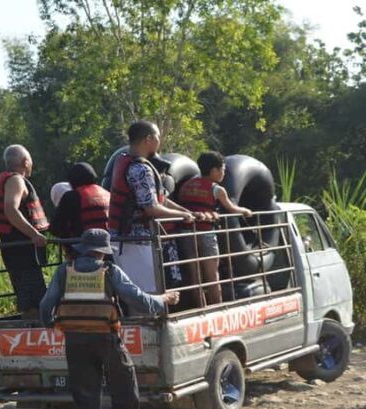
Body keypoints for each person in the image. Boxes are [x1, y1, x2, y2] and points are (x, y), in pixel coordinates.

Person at [39, 229, 180, 409]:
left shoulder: (64, 271)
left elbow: (46, 305)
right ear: (102, 252)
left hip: (75, 341)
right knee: (124, 379)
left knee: (86, 397)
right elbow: (137, 298)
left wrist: (51, 324)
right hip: (106, 338)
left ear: (84, 249)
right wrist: (163, 300)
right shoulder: (109, 271)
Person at [108, 120, 201, 293]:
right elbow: (151, 208)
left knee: (136, 291)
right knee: (146, 292)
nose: (160, 140)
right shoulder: (141, 169)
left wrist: (186, 211)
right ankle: (148, 320)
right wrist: (182, 217)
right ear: (149, 139)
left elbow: (160, 198)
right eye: (158, 136)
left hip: (123, 239)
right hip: (135, 241)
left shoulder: (124, 161)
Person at [177, 151, 252, 307]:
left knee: (194, 276)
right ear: (214, 171)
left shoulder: (186, 185)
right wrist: (245, 211)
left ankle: (201, 308)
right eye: (222, 169)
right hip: (205, 232)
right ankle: (217, 308)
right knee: (212, 275)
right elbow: (231, 208)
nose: (223, 173)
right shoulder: (216, 189)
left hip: (186, 232)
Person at [0, 144, 50, 320]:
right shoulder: (16, 180)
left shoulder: (6, 179)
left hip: (15, 249)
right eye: (31, 160)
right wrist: (34, 235)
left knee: (31, 297)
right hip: (22, 250)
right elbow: (11, 209)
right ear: (25, 162)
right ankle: (34, 337)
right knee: (33, 300)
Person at [50, 163, 110, 239]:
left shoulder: (71, 196)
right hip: (109, 245)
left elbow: (56, 228)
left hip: (84, 246)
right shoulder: (107, 194)